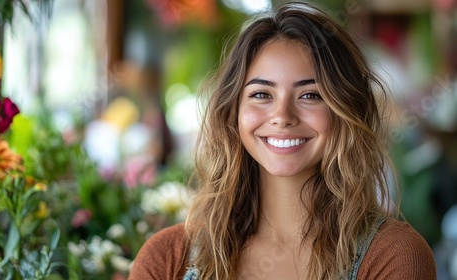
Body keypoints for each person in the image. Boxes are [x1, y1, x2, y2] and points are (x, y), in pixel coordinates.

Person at [129, 2, 437, 279]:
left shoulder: (394, 256)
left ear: (345, 112)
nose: (282, 116)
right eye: (261, 94)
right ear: (233, 112)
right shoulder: (167, 258)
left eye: (310, 95)